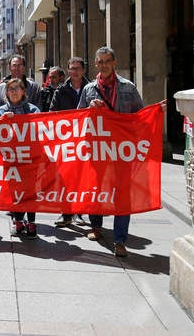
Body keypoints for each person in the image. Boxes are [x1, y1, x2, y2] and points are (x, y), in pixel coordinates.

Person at [77, 46, 144, 258]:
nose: (104, 65)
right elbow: (78, 118)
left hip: (122, 152)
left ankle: (119, 240)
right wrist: (89, 110)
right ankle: (96, 228)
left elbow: (140, 117)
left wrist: (155, 115)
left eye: (107, 61)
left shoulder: (128, 87)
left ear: (114, 63)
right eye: (100, 61)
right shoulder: (88, 90)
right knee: (96, 189)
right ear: (96, 64)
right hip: (99, 151)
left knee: (122, 196)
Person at [0, 77, 41, 239]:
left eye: (16, 88)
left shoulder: (33, 110)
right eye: (10, 89)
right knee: (16, 191)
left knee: (30, 191)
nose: (13, 92)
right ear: (6, 92)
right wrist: (2, 121)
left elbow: (41, 129)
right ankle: (18, 221)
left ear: (23, 91)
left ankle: (32, 223)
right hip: (10, 160)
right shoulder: (0, 112)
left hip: (29, 159)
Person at [52, 57, 91, 227]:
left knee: (84, 178)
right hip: (66, 142)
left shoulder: (92, 89)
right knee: (65, 178)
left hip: (86, 141)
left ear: (83, 70)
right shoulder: (60, 91)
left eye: (77, 68)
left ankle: (80, 213)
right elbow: (52, 113)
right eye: (71, 68)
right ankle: (66, 213)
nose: (74, 72)